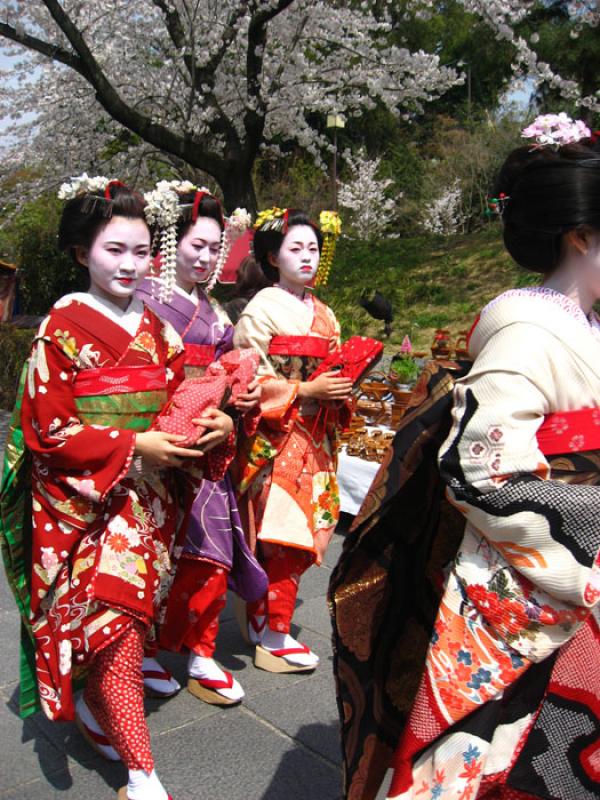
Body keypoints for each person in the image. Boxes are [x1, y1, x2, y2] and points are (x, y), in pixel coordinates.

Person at [332, 115, 600, 800]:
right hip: (545, 579)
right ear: (582, 237)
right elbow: (482, 468)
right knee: (512, 759)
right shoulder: (528, 331)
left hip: (570, 573)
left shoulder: (580, 326)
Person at [0, 176, 234, 800]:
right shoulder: (61, 328)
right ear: (81, 255)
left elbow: (185, 389)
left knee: (123, 621)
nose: (131, 265)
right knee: (117, 622)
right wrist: (133, 446)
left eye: (139, 252)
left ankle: (104, 711)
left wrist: (217, 419)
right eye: (114, 251)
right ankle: (140, 767)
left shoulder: (157, 329)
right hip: (86, 499)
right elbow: (47, 429)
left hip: (148, 496)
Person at [137, 182, 266, 705]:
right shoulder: (143, 300)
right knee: (152, 553)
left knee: (212, 550)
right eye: (197, 244)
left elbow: (230, 376)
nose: (207, 256)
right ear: (169, 244)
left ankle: (202, 651)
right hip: (156, 447)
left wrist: (236, 409)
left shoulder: (214, 311)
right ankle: (142, 648)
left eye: (216, 247)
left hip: (208, 447)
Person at [233, 207, 352, 672]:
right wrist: (305, 389)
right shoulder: (261, 308)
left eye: (313, 249)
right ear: (271, 255)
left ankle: (263, 623)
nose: (307, 257)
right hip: (278, 436)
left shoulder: (325, 313)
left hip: (316, 435)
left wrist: (341, 388)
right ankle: (274, 633)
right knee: (285, 535)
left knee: (302, 533)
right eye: (295, 248)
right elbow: (248, 377)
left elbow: (337, 368)